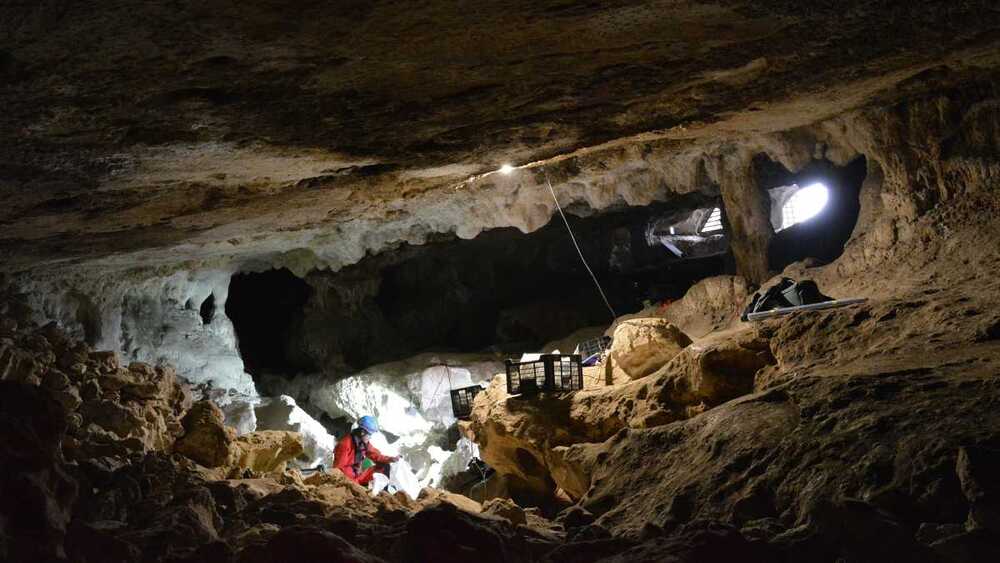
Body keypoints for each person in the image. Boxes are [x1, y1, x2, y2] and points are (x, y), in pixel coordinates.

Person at [333, 415, 399, 485]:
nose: (370, 437)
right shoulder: (345, 445)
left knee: (384, 467)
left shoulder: (364, 444)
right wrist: (351, 484)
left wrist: (391, 459)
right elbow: (339, 469)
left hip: (356, 477)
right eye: (370, 434)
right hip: (348, 479)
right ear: (362, 433)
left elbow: (376, 455)